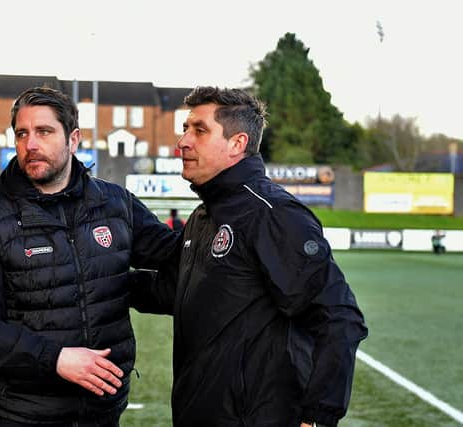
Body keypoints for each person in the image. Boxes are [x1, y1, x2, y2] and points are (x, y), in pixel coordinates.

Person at [132, 87, 368, 427]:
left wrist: (318, 418)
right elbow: (179, 289)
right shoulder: (203, 216)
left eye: (199, 130)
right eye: (185, 129)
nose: (183, 142)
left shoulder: (272, 214)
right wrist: (106, 279)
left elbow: (340, 318)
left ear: (237, 144)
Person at [0, 86, 179, 427]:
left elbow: (177, 254)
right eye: (22, 133)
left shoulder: (115, 203)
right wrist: (55, 359)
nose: (31, 145)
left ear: (73, 140)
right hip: (16, 415)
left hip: (100, 412)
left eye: (44, 132)